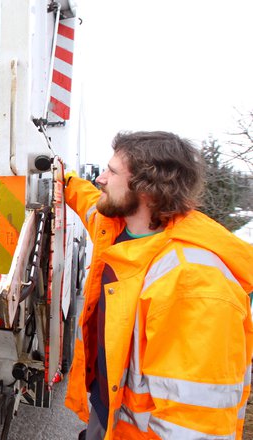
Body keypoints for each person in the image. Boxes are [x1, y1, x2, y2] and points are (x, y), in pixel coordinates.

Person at [62, 131, 253, 439]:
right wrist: (66, 180)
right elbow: (87, 200)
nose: (100, 179)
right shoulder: (117, 226)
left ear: (146, 190)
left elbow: (193, 426)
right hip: (110, 414)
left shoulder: (193, 283)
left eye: (111, 171)